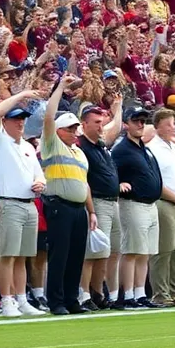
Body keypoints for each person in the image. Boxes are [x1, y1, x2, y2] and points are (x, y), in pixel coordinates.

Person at [39, 77, 98, 315]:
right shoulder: (52, 144)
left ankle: (72, 298)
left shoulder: (79, 152)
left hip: (78, 209)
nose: (75, 133)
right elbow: (47, 117)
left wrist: (91, 211)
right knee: (59, 256)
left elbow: (84, 185)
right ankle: (56, 301)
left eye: (76, 129)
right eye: (70, 129)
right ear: (59, 130)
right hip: (59, 206)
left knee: (76, 256)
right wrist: (61, 87)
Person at [0, 89, 47, 318]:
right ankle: (7, 301)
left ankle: (22, 299)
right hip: (8, 203)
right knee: (8, 255)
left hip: (29, 204)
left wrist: (40, 183)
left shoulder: (28, 147)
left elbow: (39, 175)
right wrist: (21, 94)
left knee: (23, 256)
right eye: (15, 119)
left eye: (22, 119)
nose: (20, 123)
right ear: (6, 122)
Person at [110, 106, 163, 309]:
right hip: (133, 203)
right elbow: (111, 172)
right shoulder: (121, 149)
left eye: (143, 121)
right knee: (132, 250)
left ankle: (141, 294)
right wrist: (117, 185)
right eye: (136, 121)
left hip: (150, 205)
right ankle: (129, 294)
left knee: (145, 252)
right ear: (126, 124)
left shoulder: (144, 148)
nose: (140, 124)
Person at [77, 98, 124, 309]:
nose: (100, 125)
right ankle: (85, 293)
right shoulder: (81, 146)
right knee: (93, 252)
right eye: (95, 122)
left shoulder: (101, 146)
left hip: (112, 202)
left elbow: (114, 128)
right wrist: (91, 209)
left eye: (101, 121)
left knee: (109, 251)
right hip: (97, 201)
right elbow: (84, 179)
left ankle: (98, 292)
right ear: (84, 124)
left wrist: (117, 109)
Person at [146, 108, 175, 307]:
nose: (173, 127)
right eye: (168, 124)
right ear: (157, 126)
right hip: (165, 202)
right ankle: (160, 293)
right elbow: (156, 181)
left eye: (173, 124)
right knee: (164, 250)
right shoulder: (152, 150)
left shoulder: (174, 148)